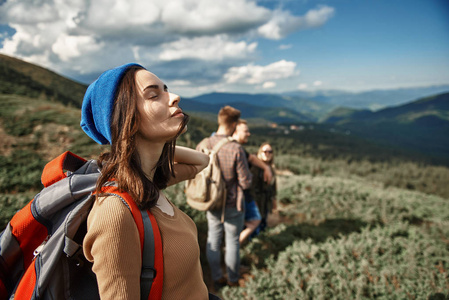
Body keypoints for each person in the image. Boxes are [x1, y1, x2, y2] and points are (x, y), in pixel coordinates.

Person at [80, 63, 214, 299]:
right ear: (124, 117)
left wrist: (151, 149)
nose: (174, 97)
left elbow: (201, 162)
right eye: (154, 95)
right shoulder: (115, 212)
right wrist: (128, 147)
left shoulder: (147, 184)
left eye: (166, 89)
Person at [200, 106, 252, 290]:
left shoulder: (204, 144)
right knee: (232, 242)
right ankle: (232, 278)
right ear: (233, 124)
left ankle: (216, 277)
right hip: (232, 204)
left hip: (211, 202)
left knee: (213, 240)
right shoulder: (235, 148)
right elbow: (245, 183)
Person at [231, 119, 272, 243]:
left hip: (238, 197)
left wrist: (266, 168)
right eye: (245, 131)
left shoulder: (239, 149)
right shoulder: (235, 149)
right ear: (235, 131)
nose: (248, 134)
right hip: (240, 197)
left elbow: (251, 157)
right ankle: (235, 248)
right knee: (253, 220)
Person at [252, 142, 277, 233]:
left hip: (266, 201)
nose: (267, 154)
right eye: (265, 151)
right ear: (260, 152)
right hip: (256, 200)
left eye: (270, 152)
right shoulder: (255, 168)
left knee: (263, 222)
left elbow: (273, 186)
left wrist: (274, 200)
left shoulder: (271, 168)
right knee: (254, 222)